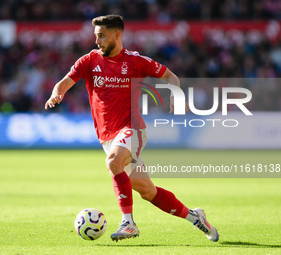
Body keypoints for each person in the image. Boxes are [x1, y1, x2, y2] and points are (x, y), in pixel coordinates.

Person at [45, 14, 219, 242]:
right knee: (148, 191)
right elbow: (65, 81)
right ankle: (195, 217)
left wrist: (176, 97)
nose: (97, 41)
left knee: (113, 163)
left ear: (117, 35)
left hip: (132, 129)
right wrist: (57, 92)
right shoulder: (89, 60)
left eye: (102, 36)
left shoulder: (136, 62)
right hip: (107, 137)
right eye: (96, 36)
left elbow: (171, 76)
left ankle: (128, 222)